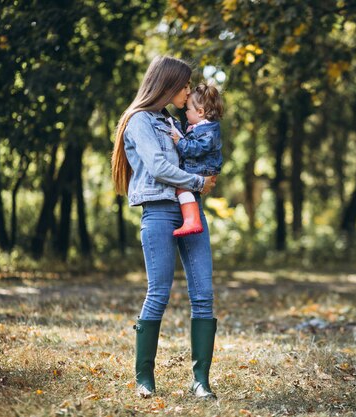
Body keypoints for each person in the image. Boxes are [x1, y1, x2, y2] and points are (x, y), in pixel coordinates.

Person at [111, 55, 219, 400]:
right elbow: (157, 167)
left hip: (191, 211)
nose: (188, 93)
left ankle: (200, 380)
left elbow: (202, 147)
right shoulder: (139, 120)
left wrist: (200, 180)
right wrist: (199, 182)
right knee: (158, 293)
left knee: (203, 295)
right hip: (158, 211)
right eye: (184, 85)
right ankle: (145, 378)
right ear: (169, 84)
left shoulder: (174, 120)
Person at [170, 82, 224, 237]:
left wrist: (179, 142)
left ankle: (191, 220)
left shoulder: (208, 132)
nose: (185, 113)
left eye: (188, 109)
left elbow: (196, 149)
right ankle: (190, 219)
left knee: (181, 186)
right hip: (201, 166)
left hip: (203, 168)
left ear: (200, 112)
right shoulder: (199, 127)